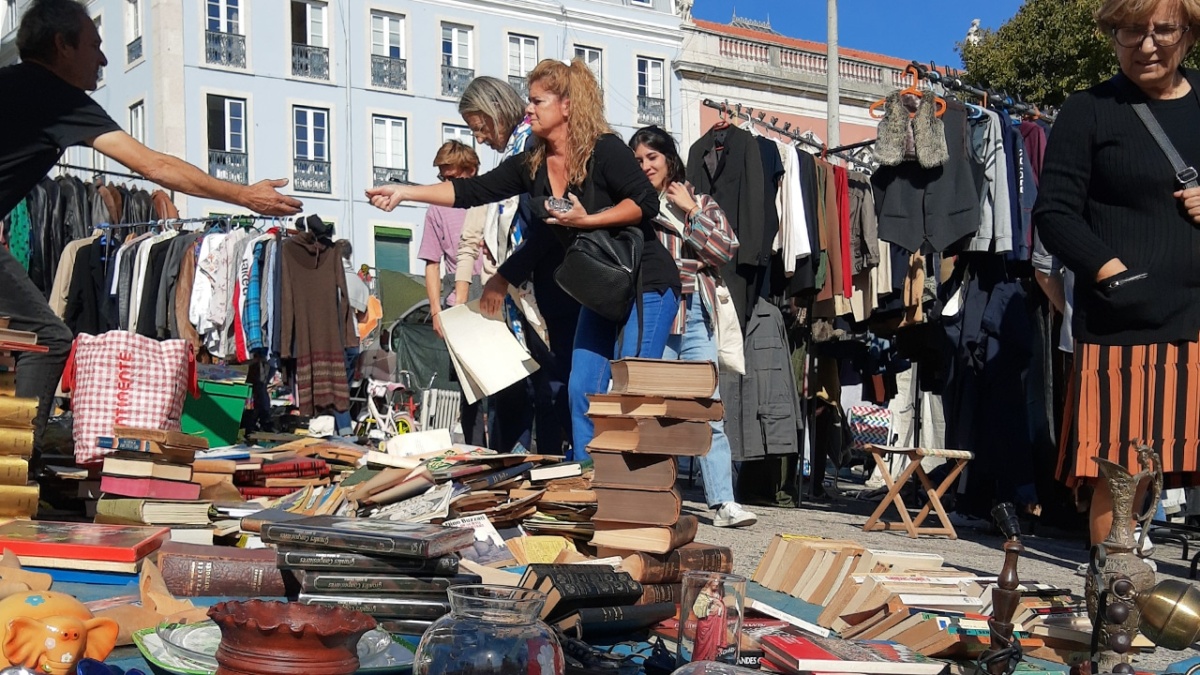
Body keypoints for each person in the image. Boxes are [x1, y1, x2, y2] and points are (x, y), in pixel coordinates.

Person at [0, 0, 301, 455]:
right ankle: (14, 464)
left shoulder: (11, 86)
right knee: (47, 337)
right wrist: (243, 195)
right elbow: (156, 166)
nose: (102, 59)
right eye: (96, 45)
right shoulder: (59, 99)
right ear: (62, 45)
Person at [367, 58, 680, 462]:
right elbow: (471, 192)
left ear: (565, 106)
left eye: (536, 101)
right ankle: (587, 491)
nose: (527, 109)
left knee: (634, 389)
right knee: (581, 388)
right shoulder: (532, 161)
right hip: (599, 289)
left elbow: (645, 201)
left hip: (646, 281)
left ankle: (642, 491)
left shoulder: (605, 149)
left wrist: (589, 219)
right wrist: (404, 191)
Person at [1034, 0, 1200, 555]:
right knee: (1124, 475)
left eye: (1164, 30)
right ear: (1114, 34)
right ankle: (1115, 609)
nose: (1147, 44)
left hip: (1199, 320)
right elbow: (1054, 213)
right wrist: (1114, 276)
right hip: (1123, 330)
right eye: (1132, 31)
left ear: (1189, 35)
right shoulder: (1089, 110)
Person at [630, 126, 757, 529]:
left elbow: (724, 251)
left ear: (669, 157)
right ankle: (652, 496)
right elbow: (648, 265)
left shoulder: (697, 200)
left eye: (652, 157)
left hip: (698, 316)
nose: (646, 165)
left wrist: (691, 211)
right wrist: (693, 261)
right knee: (654, 410)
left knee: (707, 410)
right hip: (657, 315)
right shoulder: (637, 205)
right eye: (639, 160)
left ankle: (723, 502)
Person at [455, 75, 579, 456]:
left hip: (546, 290)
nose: (479, 139)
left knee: (551, 391)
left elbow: (544, 226)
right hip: (525, 293)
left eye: (479, 128)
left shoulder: (530, 149)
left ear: (496, 113)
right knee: (528, 392)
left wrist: (503, 275)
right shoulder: (515, 152)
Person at [417, 140, 488, 446]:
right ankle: (476, 452)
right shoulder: (437, 208)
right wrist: (436, 312)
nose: (445, 184)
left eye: (452, 178)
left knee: (502, 384)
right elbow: (431, 264)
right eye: (442, 178)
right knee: (468, 390)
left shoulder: (490, 198)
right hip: (457, 299)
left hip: (492, 290)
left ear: (470, 172)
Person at [690, 576, 728, 662]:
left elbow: (722, 609)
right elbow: (697, 609)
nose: (716, 585)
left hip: (715, 626)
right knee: (701, 649)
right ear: (710, 582)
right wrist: (710, 606)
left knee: (712, 649)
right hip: (705, 627)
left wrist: (721, 605)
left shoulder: (717, 595)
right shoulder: (703, 595)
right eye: (715, 583)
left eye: (718, 583)